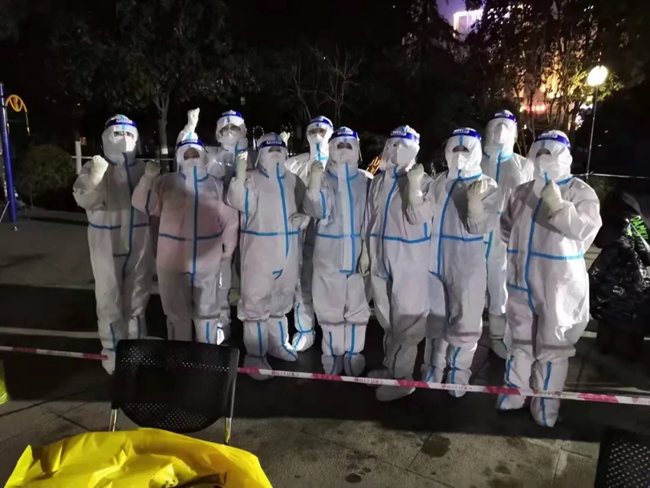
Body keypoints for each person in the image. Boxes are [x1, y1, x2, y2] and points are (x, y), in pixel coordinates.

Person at [496, 130, 602, 427]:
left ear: (565, 157)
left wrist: (558, 207)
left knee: (553, 346)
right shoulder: (521, 192)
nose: (543, 158)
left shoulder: (579, 192)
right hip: (520, 279)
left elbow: (585, 231)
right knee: (520, 340)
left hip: (558, 285)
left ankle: (545, 405)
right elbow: (505, 228)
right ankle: (514, 392)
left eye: (550, 152)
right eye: (539, 152)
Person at [132, 109, 239, 344]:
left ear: (203, 156)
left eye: (195, 153)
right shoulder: (166, 183)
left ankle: (206, 356)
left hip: (206, 261)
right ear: (180, 156)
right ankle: (179, 357)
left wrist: (228, 249)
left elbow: (230, 219)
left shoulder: (215, 185)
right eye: (186, 152)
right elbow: (143, 204)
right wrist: (147, 180)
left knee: (207, 313)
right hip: (172, 261)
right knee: (176, 314)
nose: (191, 156)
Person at [407, 128, 499, 397]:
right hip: (434, 262)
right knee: (435, 320)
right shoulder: (439, 182)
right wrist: (414, 190)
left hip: (466, 263)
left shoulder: (486, 185)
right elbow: (419, 216)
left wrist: (475, 202)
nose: (458, 154)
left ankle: (459, 371)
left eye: (464, 149)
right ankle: (432, 367)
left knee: (465, 320)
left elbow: (480, 226)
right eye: (454, 149)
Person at [73, 115, 153, 373]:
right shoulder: (95, 167)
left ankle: (136, 347)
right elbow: (85, 199)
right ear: (106, 138)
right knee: (110, 298)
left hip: (139, 241)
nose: (124, 139)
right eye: (117, 134)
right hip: (107, 243)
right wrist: (95, 177)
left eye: (129, 134)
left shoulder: (143, 169)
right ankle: (113, 350)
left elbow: (154, 205)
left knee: (138, 295)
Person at [227, 133, 306, 379]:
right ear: (260, 153)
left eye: (280, 149)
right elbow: (239, 202)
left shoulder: (293, 181)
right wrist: (240, 176)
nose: (276, 152)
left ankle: (277, 343)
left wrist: (306, 218)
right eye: (270, 149)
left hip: (288, 252)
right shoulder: (251, 179)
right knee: (256, 303)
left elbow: (306, 206)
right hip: (259, 253)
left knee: (281, 300)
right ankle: (255, 355)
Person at [365, 125, 432, 401]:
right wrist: (366, 252)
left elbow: (420, 217)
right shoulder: (379, 182)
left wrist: (414, 189)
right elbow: (370, 219)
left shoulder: (425, 182)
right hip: (381, 256)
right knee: (387, 317)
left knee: (407, 320)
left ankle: (403, 379)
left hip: (410, 261)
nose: (394, 151)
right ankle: (390, 368)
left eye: (402, 146)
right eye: (391, 145)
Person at [302, 126, 371, 375]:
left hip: (357, 257)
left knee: (357, 308)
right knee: (328, 308)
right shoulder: (323, 178)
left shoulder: (365, 181)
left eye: (348, 145)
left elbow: (371, 219)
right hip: (328, 255)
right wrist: (313, 185)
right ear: (330, 148)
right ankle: (331, 353)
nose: (343, 149)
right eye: (338, 145)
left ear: (357, 149)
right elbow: (316, 209)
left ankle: (354, 353)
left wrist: (367, 251)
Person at [481, 110, 533, 359]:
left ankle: (497, 337)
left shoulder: (524, 165)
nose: (500, 131)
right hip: (474, 235)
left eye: (506, 126)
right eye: (495, 125)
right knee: (467, 288)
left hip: (505, 239)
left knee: (500, 289)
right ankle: (462, 337)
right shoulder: (476, 161)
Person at [284, 115, 334, 352]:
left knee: (331, 286)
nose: (317, 135)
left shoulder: (339, 164)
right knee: (302, 283)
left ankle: (334, 335)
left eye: (322, 131)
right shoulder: (293, 165)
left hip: (333, 238)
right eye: (313, 131)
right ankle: (305, 330)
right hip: (301, 236)